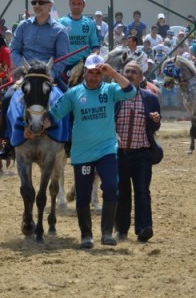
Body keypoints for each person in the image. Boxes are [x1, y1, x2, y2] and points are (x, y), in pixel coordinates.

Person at [49, 54, 136, 248]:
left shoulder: (111, 90)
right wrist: (35, 128)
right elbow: (55, 113)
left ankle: (106, 233)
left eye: (98, 73)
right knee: (83, 193)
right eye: (91, 73)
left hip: (107, 150)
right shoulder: (73, 93)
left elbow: (130, 92)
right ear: (85, 74)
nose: (95, 77)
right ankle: (86, 235)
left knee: (112, 187)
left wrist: (112, 73)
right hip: (82, 154)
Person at [0, 0, 69, 160]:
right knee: (7, 99)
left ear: (50, 6)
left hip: (49, 77)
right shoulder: (23, 26)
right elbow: (14, 50)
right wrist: (26, 69)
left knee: (69, 99)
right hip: (27, 76)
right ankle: (7, 142)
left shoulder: (60, 30)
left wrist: (52, 74)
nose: (37, 5)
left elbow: (62, 58)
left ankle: (69, 141)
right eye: (34, 2)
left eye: (41, 2)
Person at [114, 60, 161, 243]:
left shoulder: (150, 98)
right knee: (121, 192)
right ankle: (121, 229)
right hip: (119, 153)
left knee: (142, 191)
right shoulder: (114, 97)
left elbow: (156, 126)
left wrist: (156, 120)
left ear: (141, 77)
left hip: (142, 153)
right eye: (127, 71)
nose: (130, 75)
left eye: (134, 72)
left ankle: (144, 228)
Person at [58, 0, 100, 81]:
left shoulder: (90, 23)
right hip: (64, 66)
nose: (76, 6)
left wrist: (94, 55)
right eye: (73, 3)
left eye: (79, 3)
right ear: (69, 4)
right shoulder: (60, 23)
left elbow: (95, 45)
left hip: (84, 66)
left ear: (83, 5)